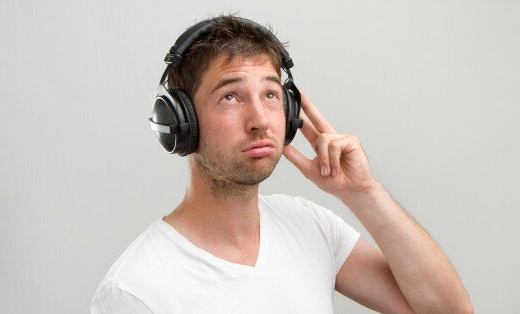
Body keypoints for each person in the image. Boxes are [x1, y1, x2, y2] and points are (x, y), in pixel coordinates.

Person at [91, 15, 473, 314]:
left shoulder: (309, 224)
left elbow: (449, 310)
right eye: (230, 97)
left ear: (290, 113)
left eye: (271, 94)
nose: (260, 119)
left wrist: (363, 193)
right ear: (181, 123)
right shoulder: (135, 290)